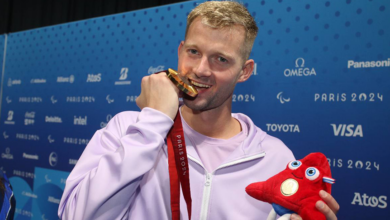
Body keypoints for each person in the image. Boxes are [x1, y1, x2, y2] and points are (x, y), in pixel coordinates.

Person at [58, 1, 339, 219]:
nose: (201, 70)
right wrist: (151, 126)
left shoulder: (275, 157)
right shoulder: (127, 129)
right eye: (193, 52)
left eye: (220, 59)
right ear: (180, 51)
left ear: (245, 71)